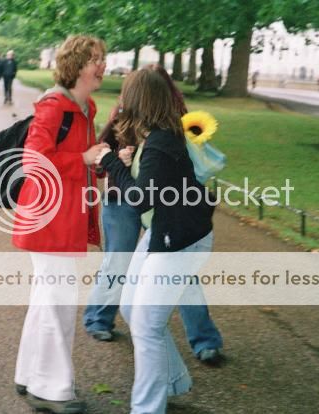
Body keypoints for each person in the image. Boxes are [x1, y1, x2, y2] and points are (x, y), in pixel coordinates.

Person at [83, 64, 223, 364]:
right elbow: (100, 158)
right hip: (123, 199)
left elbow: (177, 165)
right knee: (119, 260)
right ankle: (99, 317)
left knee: (178, 272)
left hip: (160, 207)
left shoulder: (172, 122)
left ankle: (203, 340)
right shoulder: (124, 114)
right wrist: (118, 159)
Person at [12, 35, 108, 414]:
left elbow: (79, 160)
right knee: (58, 305)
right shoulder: (55, 106)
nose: (102, 65)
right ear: (77, 65)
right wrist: (82, 158)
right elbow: (32, 161)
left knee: (46, 302)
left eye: (102, 58)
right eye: (95, 59)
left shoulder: (85, 106)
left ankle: (30, 375)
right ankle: (50, 389)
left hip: (64, 219)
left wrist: (99, 160)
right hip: (49, 220)